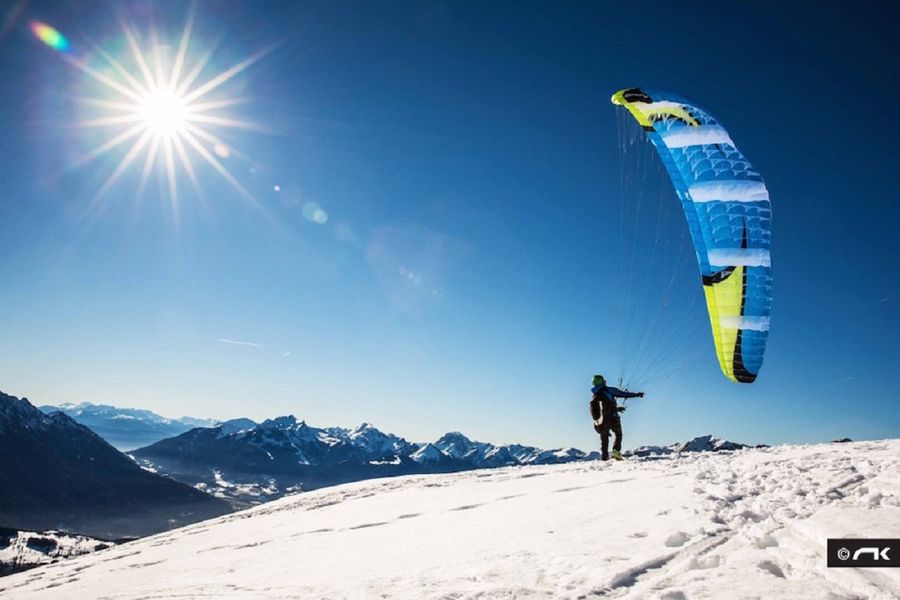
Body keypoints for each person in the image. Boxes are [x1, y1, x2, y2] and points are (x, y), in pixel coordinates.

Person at [589, 374, 644, 461]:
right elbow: (623, 394)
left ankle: (604, 458)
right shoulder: (609, 390)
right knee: (618, 435)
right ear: (602, 381)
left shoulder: (595, 395)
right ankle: (615, 453)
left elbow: (604, 408)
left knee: (604, 439)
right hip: (613, 419)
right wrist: (636, 395)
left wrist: (617, 409)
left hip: (601, 421)